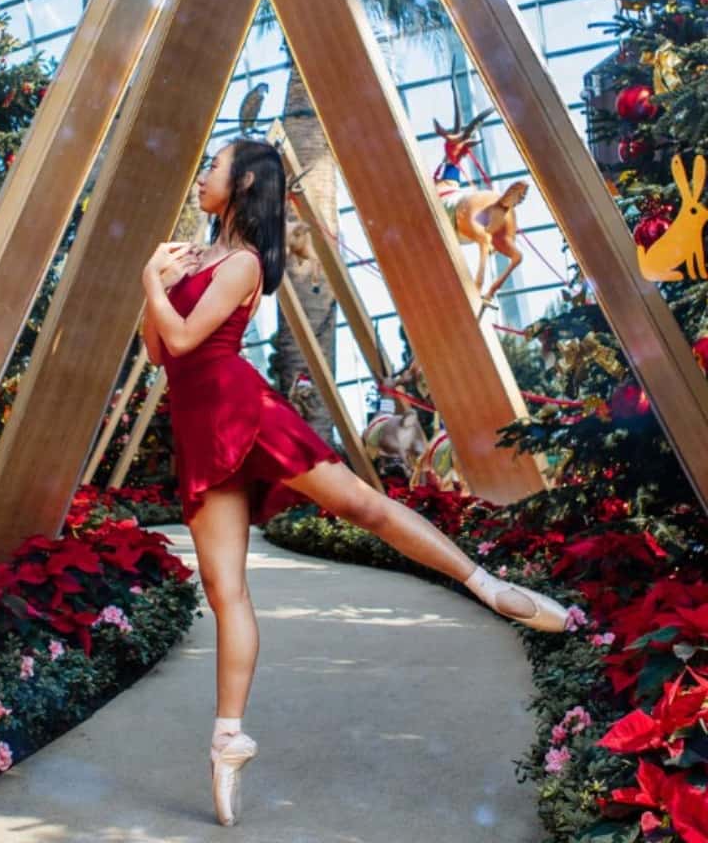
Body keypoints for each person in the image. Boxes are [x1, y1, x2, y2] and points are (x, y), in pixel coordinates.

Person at [137, 137, 575, 828]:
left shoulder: (245, 261)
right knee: (226, 592)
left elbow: (189, 342)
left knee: (363, 506)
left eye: (212, 167)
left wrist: (148, 282)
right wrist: (158, 286)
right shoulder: (195, 257)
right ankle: (228, 738)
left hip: (241, 408)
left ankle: (483, 584)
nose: (201, 176)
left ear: (245, 181)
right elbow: (159, 349)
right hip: (198, 423)